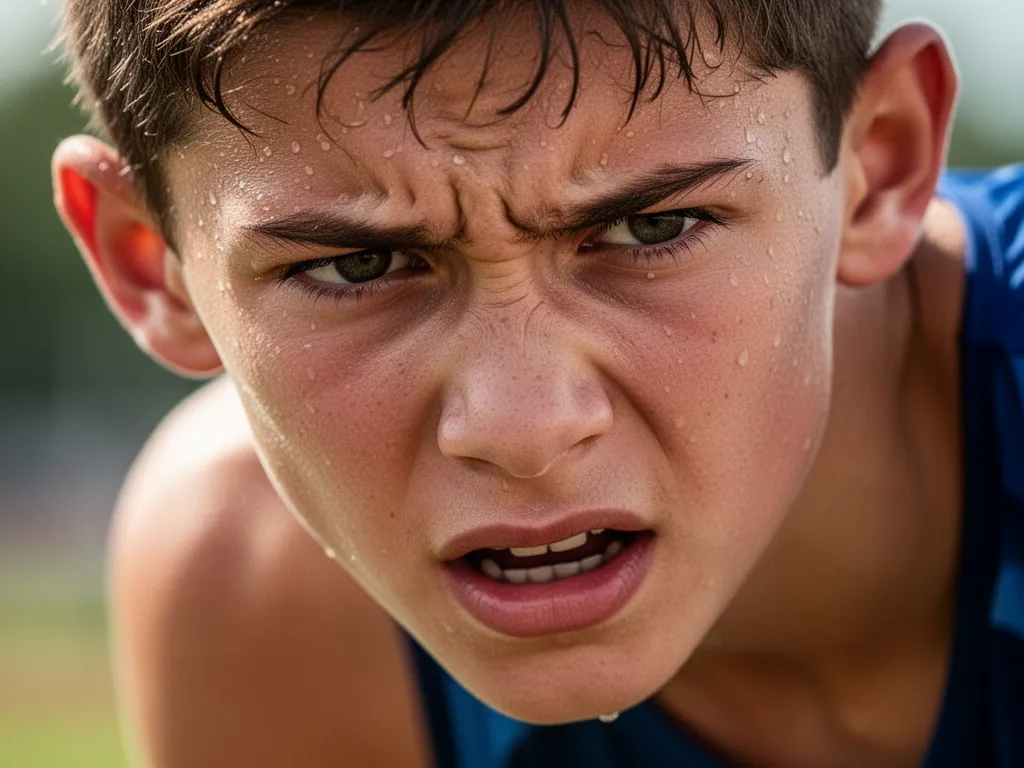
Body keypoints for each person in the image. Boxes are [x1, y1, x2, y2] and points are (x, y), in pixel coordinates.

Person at [51, 0, 1023, 765]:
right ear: (152, 264)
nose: (521, 428)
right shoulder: (257, 585)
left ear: (880, 164)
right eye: (356, 266)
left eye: (651, 228)